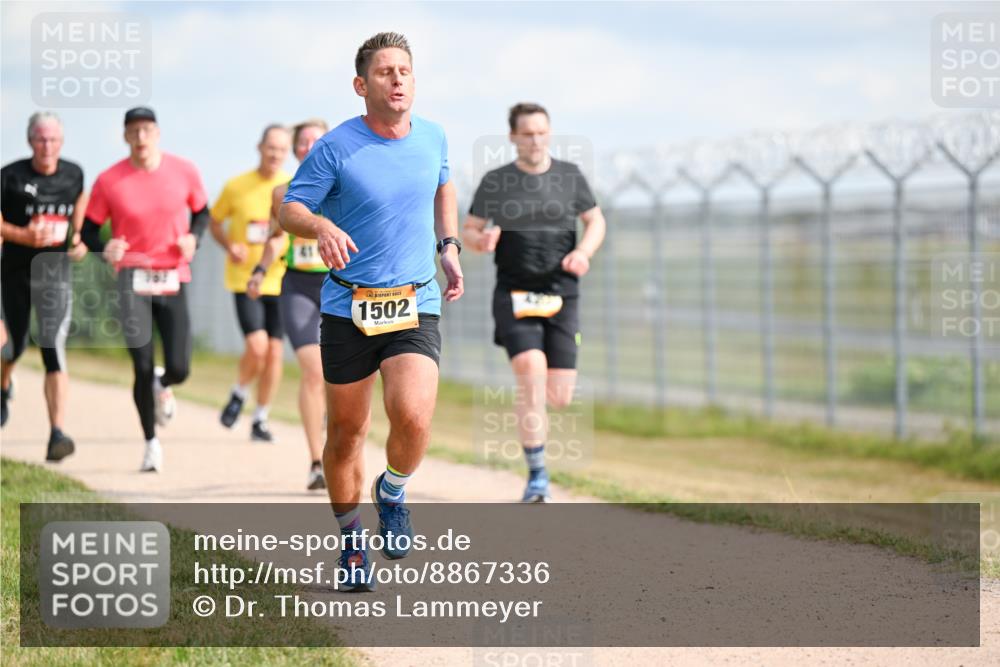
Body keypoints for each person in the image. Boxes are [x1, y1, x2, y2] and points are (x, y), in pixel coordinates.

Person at [280, 32, 463, 590]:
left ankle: (393, 489)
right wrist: (321, 224)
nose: (398, 79)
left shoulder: (433, 137)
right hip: (348, 307)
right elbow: (291, 209)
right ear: (362, 85)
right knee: (347, 433)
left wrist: (448, 246)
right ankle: (352, 543)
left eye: (405, 70)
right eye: (385, 72)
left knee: (414, 416)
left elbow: (443, 186)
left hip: (414, 299)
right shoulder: (335, 147)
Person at [462, 102, 606, 502]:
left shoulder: (569, 176)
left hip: (562, 293)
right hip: (514, 293)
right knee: (531, 373)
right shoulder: (497, 181)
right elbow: (469, 230)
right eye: (527, 133)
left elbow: (595, 220)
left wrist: (584, 254)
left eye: (541, 132)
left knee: (558, 394)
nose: (535, 139)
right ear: (513, 137)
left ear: (550, 133)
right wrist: (481, 240)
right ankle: (538, 475)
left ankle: (535, 426)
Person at [81, 107, 210, 472]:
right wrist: (103, 247)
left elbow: (203, 213)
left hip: (172, 276)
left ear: (158, 133)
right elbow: (89, 230)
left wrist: (193, 238)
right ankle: (151, 443)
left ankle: (163, 381)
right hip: (131, 279)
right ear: (125, 136)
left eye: (147, 130)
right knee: (140, 362)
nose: (141, 138)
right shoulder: (109, 180)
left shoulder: (184, 171)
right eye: (133, 131)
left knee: (180, 367)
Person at [1, 111, 89, 461]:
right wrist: (22, 234)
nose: (47, 145)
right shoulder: (10, 176)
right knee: (14, 348)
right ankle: (4, 384)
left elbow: (80, 201)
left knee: (53, 347)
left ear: (61, 142)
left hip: (54, 274)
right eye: (40, 138)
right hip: (15, 274)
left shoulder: (74, 173)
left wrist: (79, 238)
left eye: (53, 139)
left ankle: (56, 433)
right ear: (29, 141)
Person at [248, 118, 329, 488]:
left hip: (340, 286)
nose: (310, 146)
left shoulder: (347, 186)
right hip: (298, 287)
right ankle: (317, 462)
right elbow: (277, 238)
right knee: (313, 370)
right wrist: (260, 270)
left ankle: (339, 440)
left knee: (339, 376)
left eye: (318, 140)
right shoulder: (283, 193)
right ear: (297, 150)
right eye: (304, 141)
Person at [212, 125, 292, 442]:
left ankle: (260, 418)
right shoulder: (236, 186)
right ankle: (239, 392)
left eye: (281, 150)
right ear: (259, 147)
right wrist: (229, 245)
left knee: (274, 353)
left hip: (281, 279)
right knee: (257, 347)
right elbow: (215, 221)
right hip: (245, 279)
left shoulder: (292, 186)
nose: (275, 154)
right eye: (270, 147)